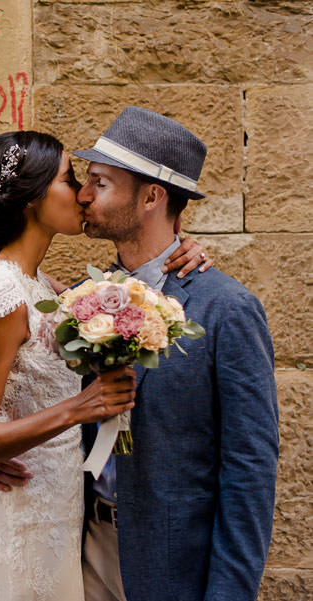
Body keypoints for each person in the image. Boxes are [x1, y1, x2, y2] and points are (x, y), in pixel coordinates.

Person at [0, 130, 211, 600]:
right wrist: (78, 408)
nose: (83, 194)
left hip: (62, 512)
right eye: (70, 179)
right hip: (27, 519)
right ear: (31, 198)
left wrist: (180, 249)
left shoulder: (41, 286)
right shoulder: (2, 293)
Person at [69, 107, 278, 601]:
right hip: (81, 550)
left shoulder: (227, 309)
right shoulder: (78, 300)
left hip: (170, 563)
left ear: (151, 197)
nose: (83, 195)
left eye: (100, 182)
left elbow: (250, 470)